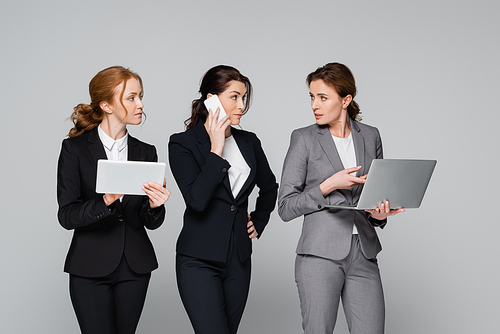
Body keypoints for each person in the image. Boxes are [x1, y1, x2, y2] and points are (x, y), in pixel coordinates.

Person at [278, 62, 405, 334]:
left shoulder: (370, 136)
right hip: (319, 256)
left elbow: (375, 195)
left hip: (364, 253)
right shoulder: (303, 139)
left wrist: (379, 215)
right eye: (312, 97)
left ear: (346, 100)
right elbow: (286, 207)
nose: (315, 105)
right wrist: (328, 185)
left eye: (323, 97)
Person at [57, 66, 170, 334]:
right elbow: (67, 216)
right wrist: (105, 201)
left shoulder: (146, 151)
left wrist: (156, 206)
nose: (140, 104)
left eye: (140, 96)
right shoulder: (74, 150)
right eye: (131, 98)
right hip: (89, 266)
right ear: (106, 105)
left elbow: (149, 221)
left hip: (135, 267)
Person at [168, 65, 278, 334]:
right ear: (211, 99)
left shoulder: (249, 142)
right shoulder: (182, 144)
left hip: (238, 259)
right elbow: (197, 200)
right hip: (198, 259)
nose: (241, 105)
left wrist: (259, 220)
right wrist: (216, 149)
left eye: (244, 98)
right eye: (234, 97)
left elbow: (270, 186)